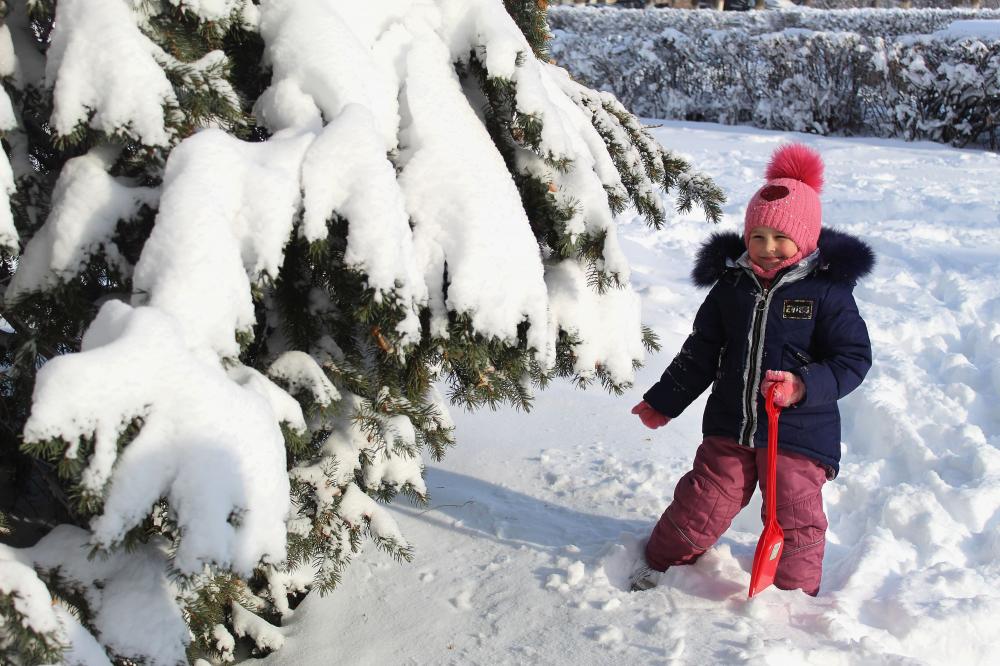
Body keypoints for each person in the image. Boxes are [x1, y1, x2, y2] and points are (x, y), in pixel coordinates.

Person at [628, 143, 874, 595]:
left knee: (793, 515)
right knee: (703, 499)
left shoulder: (827, 293)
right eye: (757, 236)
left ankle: (794, 598)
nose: (767, 247)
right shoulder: (732, 287)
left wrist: (802, 385)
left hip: (798, 432)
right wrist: (664, 400)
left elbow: (853, 358)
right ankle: (659, 562)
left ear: (806, 238)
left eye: (781, 237)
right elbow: (701, 350)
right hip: (732, 423)